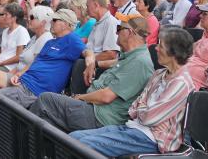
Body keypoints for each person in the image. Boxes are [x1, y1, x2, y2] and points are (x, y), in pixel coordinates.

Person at [68, 27, 196, 155]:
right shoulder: (159, 74)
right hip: (133, 127)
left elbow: (149, 117)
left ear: (173, 53)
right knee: (74, 137)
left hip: (152, 139)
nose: (156, 48)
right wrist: (145, 109)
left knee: (84, 144)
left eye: (161, 46)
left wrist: (143, 110)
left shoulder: (181, 83)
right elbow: (135, 107)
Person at [32, 15, 155, 133]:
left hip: (100, 117)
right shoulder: (133, 56)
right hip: (94, 108)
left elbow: (106, 97)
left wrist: (79, 97)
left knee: (45, 100)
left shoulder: (139, 62)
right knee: (48, 119)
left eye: (119, 29)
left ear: (130, 33)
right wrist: (94, 64)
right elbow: (116, 62)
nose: (116, 33)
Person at [0, 8, 85, 108]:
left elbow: (87, 52)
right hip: (24, 83)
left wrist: (91, 61)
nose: (51, 23)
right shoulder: (50, 42)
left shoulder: (71, 39)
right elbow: (36, 61)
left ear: (65, 24)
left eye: (55, 20)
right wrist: (19, 74)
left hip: (35, 90)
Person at [0, 5, 52, 89]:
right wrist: (9, 74)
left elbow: (32, 64)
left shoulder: (46, 39)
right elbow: (21, 61)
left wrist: (15, 74)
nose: (29, 19)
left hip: (25, 81)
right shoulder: (34, 38)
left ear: (43, 22)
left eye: (32, 17)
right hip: (15, 73)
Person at [80, 0, 121, 88]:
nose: (86, 9)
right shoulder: (98, 22)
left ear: (96, 5)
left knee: (77, 64)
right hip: (89, 60)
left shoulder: (111, 22)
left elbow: (111, 54)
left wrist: (90, 59)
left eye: (88, 6)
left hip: (98, 67)